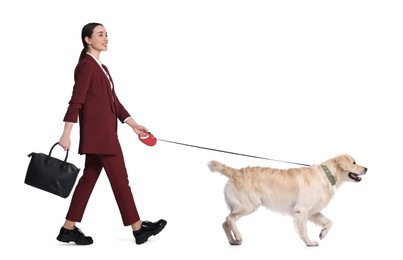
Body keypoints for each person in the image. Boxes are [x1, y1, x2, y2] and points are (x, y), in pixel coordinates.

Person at [56, 22, 166, 245]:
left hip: (102, 136)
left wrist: (133, 124)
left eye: (106, 34)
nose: (105, 38)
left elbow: (114, 102)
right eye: (100, 34)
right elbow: (76, 101)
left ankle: (68, 229)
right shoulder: (86, 66)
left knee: (88, 180)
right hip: (102, 137)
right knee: (120, 180)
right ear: (88, 39)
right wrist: (66, 134)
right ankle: (138, 228)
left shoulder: (102, 68)